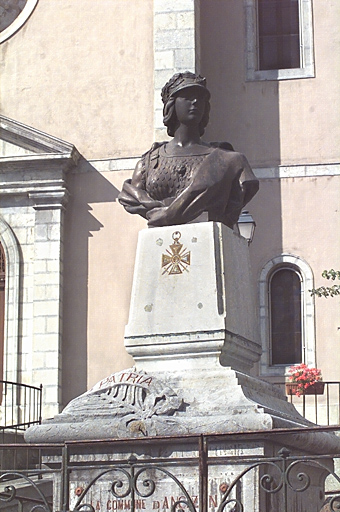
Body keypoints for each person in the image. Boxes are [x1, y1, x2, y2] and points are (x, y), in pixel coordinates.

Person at [118, 71, 259, 229]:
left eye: (200, 98)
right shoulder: (149, 162)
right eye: (188, 96)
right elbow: (130, 197)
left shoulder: (229, 160)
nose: (196, 102)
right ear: (172, 104)